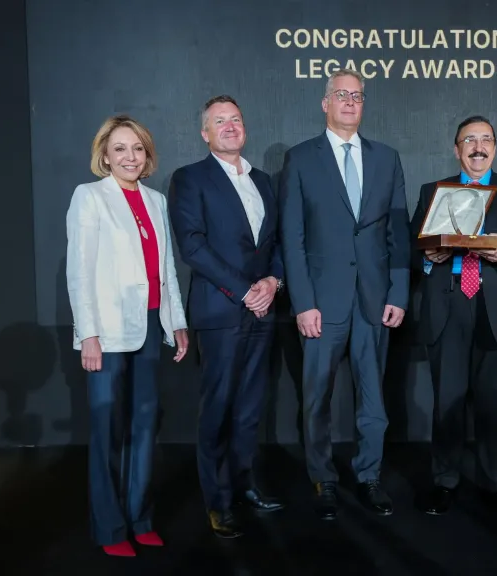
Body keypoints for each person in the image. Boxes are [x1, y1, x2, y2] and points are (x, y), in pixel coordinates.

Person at [279, 68, 410, 519]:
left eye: (358, 96)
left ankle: (369, 475)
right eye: (342, 94)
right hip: (321, 301)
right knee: (317, 398)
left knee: (373, 400)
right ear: (325, 103)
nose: (351, 102)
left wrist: (398, 292)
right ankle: (323, 478)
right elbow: (292, 237)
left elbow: (398, 232)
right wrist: (303, 302)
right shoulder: (300, 159)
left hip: (374, 299)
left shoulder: (387, 158)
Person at [410, 115, 497, 519]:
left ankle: (495, 485)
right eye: (469, 140)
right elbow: (411, 245)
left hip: (496, 307)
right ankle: (444, 482)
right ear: (456, 149)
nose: (478, 146)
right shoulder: (432, 191)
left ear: (495, 148)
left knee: (493, 402)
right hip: (448, 304)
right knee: (446, 400)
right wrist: (428, 258)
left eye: (486, 139)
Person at [66, 115, 189, 557]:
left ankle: (140, 518)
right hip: (108, 332)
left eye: (137, 148)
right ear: (104, 155)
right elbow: (79, 272)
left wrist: (176, 322)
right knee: (107, 432)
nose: (130, 157)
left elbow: (165, 268)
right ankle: (111, 528)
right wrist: (88, 335)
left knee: (143, 427)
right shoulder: (89, 196)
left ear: (147, 154)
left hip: (150, 326)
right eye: (119, 148)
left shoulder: (156, 200)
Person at [169, 95, 285, 539]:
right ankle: (217, 501)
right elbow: (193, 246)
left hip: (264, 310)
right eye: (220, 121)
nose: (230, 126)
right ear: (205, 133)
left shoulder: (262, 180)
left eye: (236, 119)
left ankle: (244, 485)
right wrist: (244, 290)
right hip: (221, 311)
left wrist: (272, 282)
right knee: (217, 408)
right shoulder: (189, 178)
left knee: (251, 408)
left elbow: (275, 242)